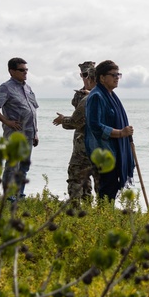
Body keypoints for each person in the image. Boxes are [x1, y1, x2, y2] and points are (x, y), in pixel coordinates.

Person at [0, 57, 39, 200]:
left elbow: (33, 110)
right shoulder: (6, 87)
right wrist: (6, 121)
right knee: (12, 165)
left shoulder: (28, 88)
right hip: (14, 134)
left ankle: (19, 194)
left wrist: (36, 133)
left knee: (24, 165)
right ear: (11, 71)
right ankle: (9, 197)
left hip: (29, 133)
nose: (25, 73)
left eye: (26, 70)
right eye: (21, 70)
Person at [83, 60, 134, 201]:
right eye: (113, 75)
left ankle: (106, 215)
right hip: (103, 151)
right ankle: (103, 217)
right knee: (107, 188)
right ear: (102, 78)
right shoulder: (96, 96)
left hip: (113, 150)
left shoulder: (111, 95)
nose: (117, 77)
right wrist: (120, 133)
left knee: (111, 188)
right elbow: (94, 125)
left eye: (118, 74)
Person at [52, 61, 98, 202]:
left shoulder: (93, 96)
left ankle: (77, 211)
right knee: (84, 177)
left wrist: (63, 120)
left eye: (89, 75)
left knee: (77, 175)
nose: (86, 78)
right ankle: (88, 207)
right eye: (84, 75)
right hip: (84, 141)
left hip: (88, 141)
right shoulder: (82, 94)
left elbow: (76, 121)